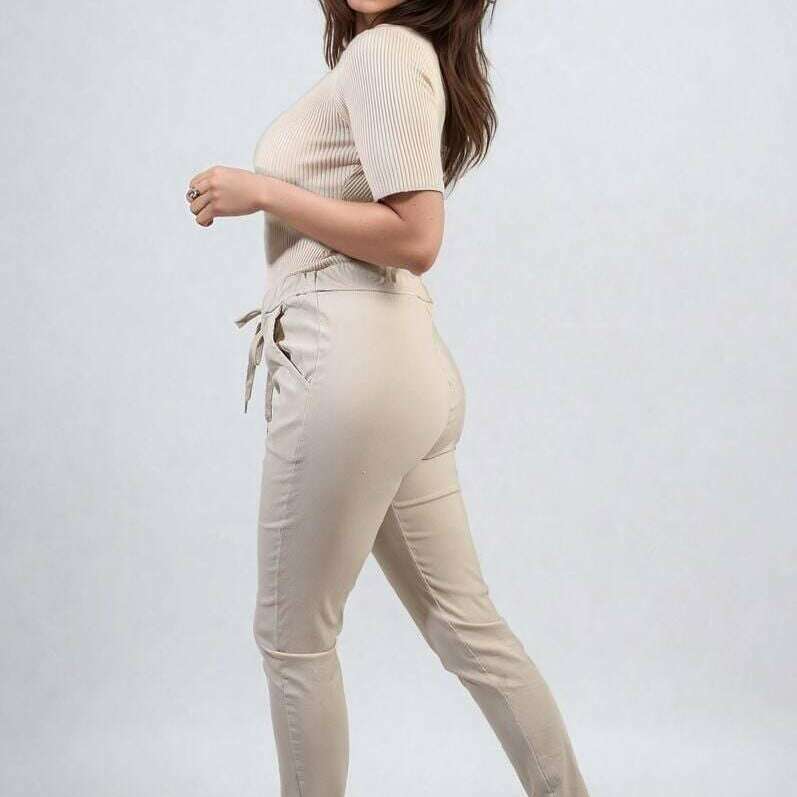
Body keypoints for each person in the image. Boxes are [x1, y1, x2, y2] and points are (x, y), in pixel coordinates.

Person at [185, 2, 590, 795]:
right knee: (468, 627)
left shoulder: (386, 53)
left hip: (349, 362)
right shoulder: (395, 57)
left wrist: (262, 192)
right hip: (400, 366)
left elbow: (414, 236)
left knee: (293, 640)